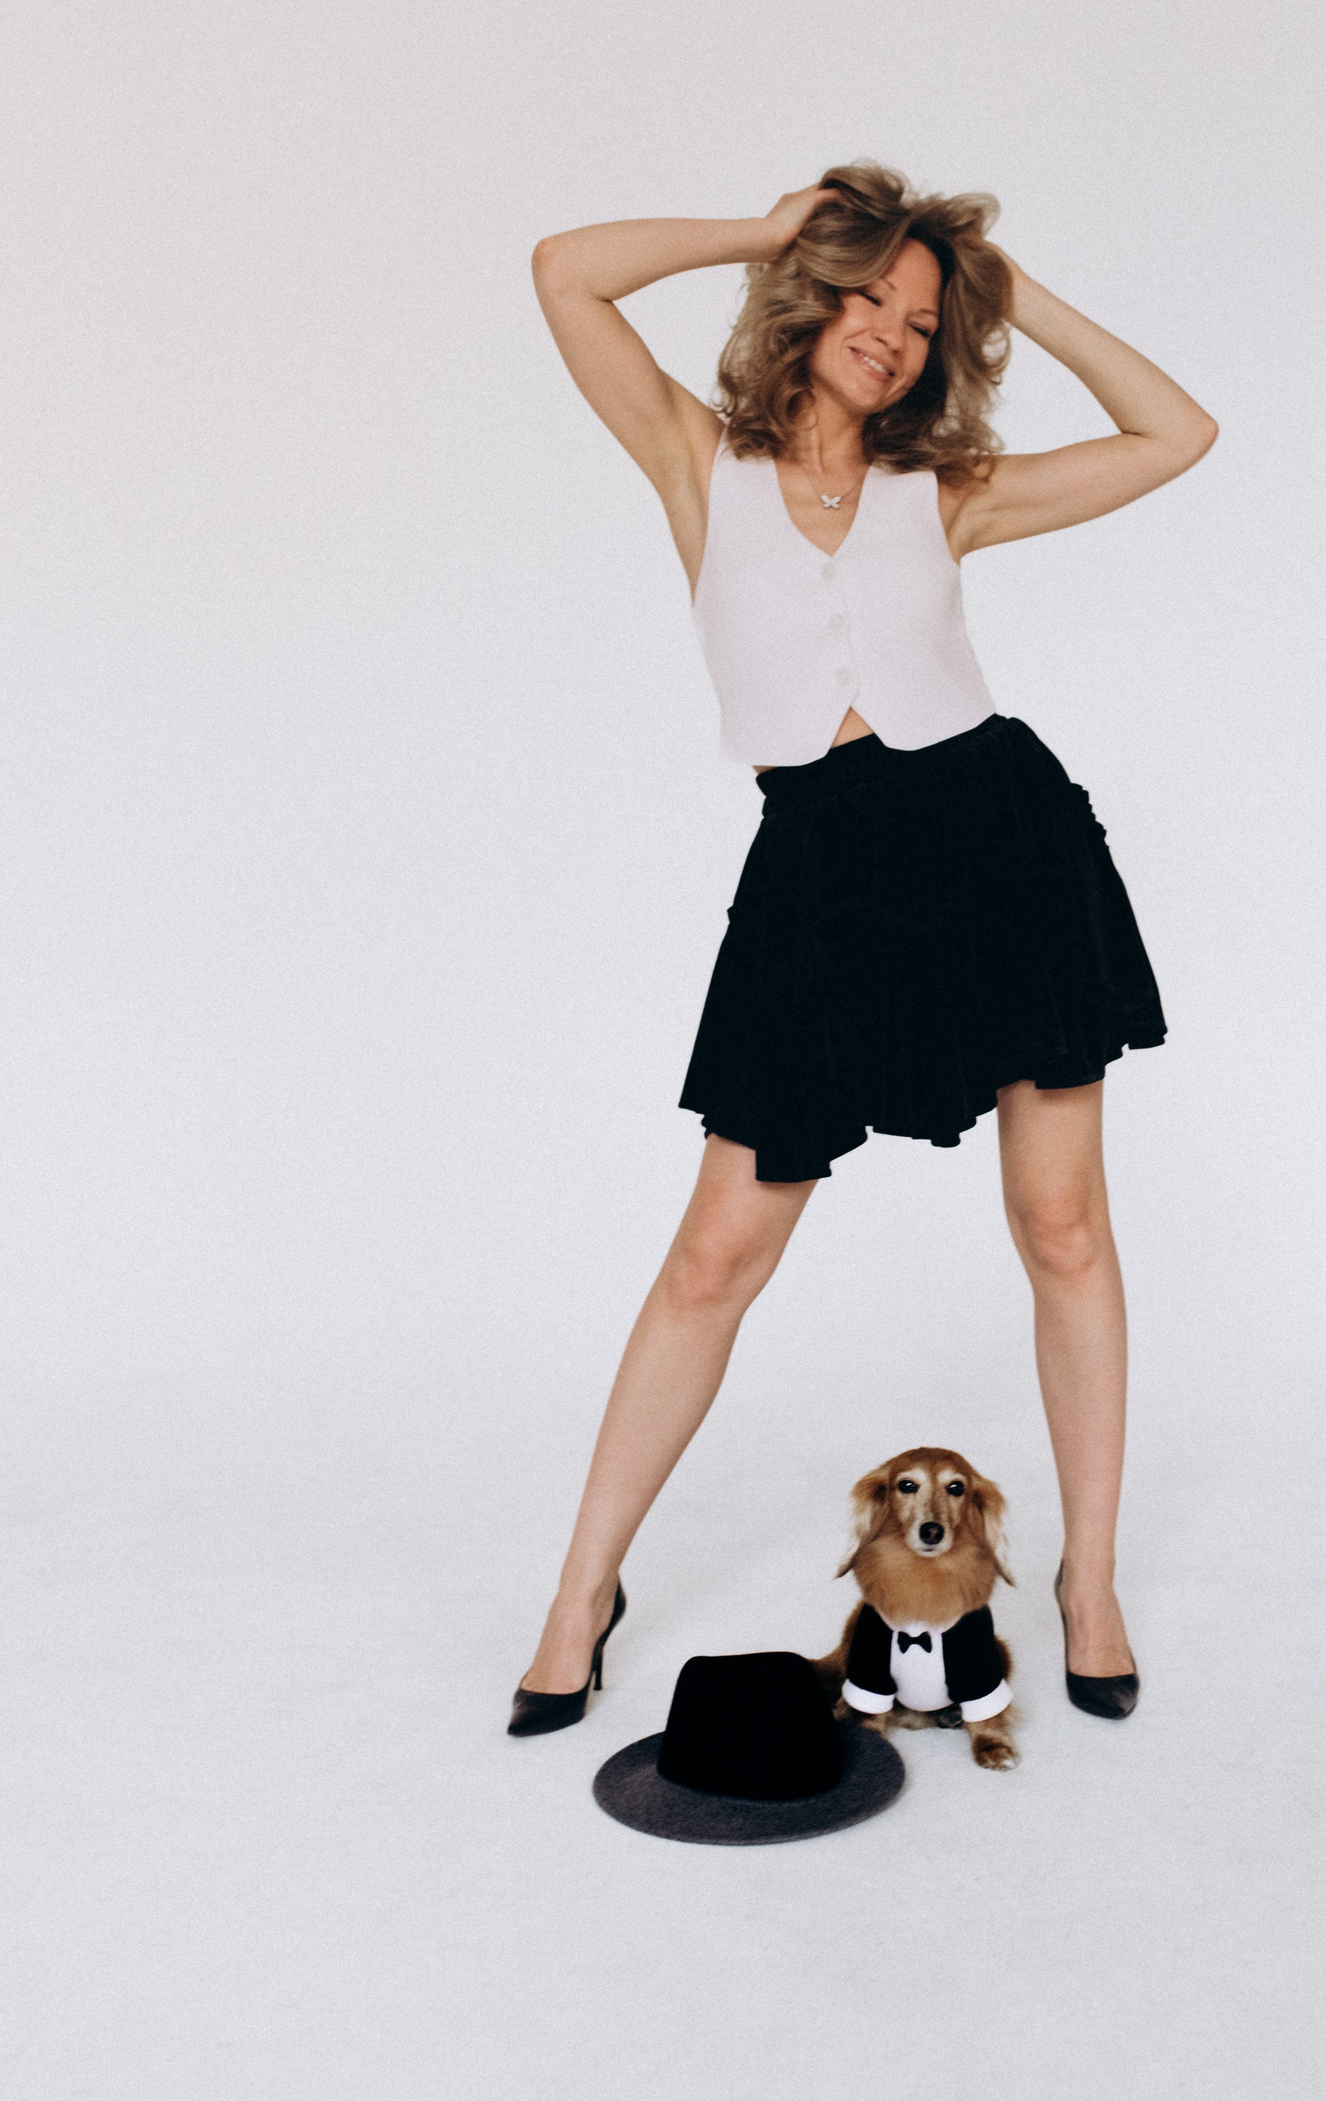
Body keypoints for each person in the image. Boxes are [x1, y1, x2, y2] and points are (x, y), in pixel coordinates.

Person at [508, 162, 1217, 1736]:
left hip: (1000, 845)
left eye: (921, 316)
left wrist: (1011, 296)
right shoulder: (698, 460)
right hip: (820, 875)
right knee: (717, 1254)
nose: (892, 332)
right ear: (812, 295)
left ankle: (1088, 1578)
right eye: (868, 295)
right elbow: (564, 268)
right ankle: (579, 1593)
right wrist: (768, 228)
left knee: (1062, 1226)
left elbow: (1178, 433)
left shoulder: (946, 490)